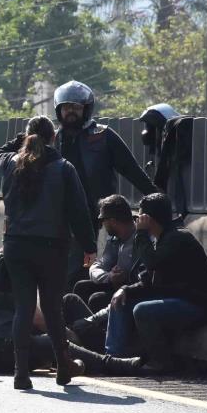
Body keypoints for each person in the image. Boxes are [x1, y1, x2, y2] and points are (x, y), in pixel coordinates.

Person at [0, 115, 97, 389]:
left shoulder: (11, 163)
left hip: (16, 246)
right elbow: (79, 211)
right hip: (52, 248)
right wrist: (90, 246)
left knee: (24, 308)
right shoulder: (64, 168)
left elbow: (0, 152)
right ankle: (63, 367)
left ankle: (21, 373)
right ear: (54, 138)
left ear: (27, 137)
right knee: (53, 309)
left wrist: (24, 138)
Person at [53, 81, 158, 289]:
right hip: (64, 214)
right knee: (68, 268)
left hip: (101, 213)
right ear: (59, 110)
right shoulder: (53, 139)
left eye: (76, 107)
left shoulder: (103, 135)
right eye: (66, 108)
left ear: (86, 109)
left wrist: (157, 199)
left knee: (103, 262)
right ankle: (69, 306)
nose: (71, 112)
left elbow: (132, 170)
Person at [0, 268, 142, 377]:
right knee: (57, 343)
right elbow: (42, 322)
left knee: (67, 305)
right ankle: (114, 363)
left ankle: (90, 356)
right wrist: (69, 337)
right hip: (8, 352)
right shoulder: (15, 286)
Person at [106, 193, 207, 371]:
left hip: (196, 304)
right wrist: (125, 289)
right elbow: (148, 280)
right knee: (121, 301)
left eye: (140, 217)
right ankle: (114, 358)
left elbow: (152, 262)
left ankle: (160, 361)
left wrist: (141, 233)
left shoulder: (177, 238)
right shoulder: (161, 239)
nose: (137, 222)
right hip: (174, 299)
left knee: (142, 310)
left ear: (148, 219)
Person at [73, 195, 140, 312]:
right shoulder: (114, 240)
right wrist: (109, 277)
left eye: (103, 221)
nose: (103, 225)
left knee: (96, 299)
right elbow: (96, 266)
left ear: (113, 221)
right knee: (81, 286)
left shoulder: (140, 238)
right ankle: (81, 326)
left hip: (133, 289)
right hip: (115, 284)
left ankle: (93, 327)